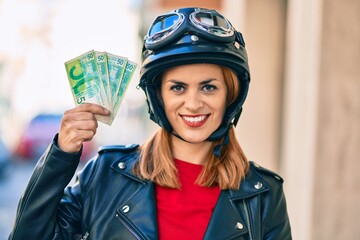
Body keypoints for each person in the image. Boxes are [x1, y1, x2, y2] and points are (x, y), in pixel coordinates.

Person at [9, 7, 291, 240]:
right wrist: (61, 155)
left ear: (230, 95)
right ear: (158, 98)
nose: (193, 103)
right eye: (178, 88)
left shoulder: (264, 194)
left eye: (208, 87)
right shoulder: (105, 174)